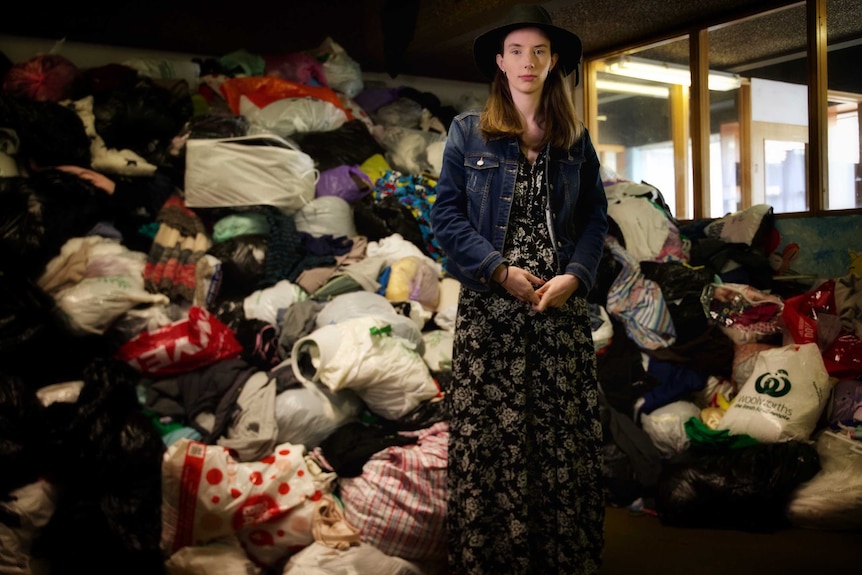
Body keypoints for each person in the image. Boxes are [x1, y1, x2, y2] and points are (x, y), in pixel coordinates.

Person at [430, 4, 608, 574]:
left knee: (561, 447)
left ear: (553, 61)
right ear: (501, 64)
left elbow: (596, 221)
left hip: (558, 315)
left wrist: (576, 277)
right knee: (493, 450)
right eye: (515, 52)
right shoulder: (467, 131)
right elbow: (447, 220)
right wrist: (499, 271)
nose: (527, 62)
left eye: (538, 52)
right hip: (491, 315)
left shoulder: (575, 141)